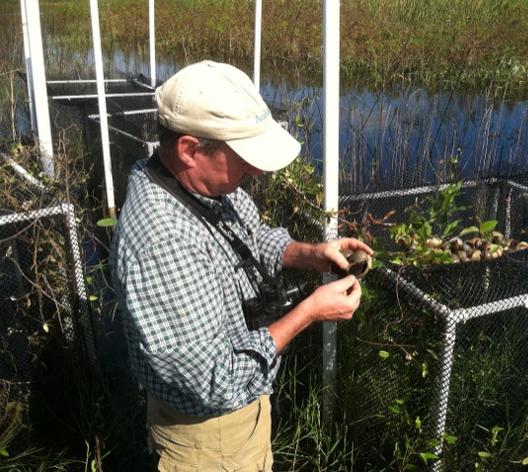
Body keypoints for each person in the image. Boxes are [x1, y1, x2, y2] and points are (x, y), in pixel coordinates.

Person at [109, 60, 373, 471]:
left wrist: (312, 253)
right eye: (243, 157)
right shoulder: (161, 239)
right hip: (206, 441)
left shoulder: (199, 184)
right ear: (190, 149)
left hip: (243, 418)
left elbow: (249, 237)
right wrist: (308, 314)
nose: (254, 171)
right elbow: (212, 382)